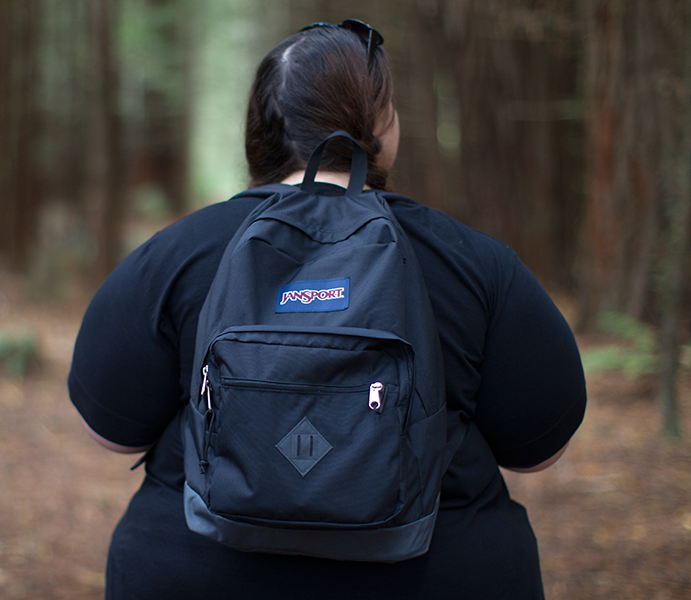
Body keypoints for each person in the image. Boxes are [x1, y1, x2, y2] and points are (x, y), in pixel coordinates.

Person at [68, 19, 586, 600]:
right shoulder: (474, 263)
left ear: (257, 133)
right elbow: (543, 449)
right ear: (380, 130)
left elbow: (111, 434)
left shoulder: (174, 257)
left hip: (193, 573)